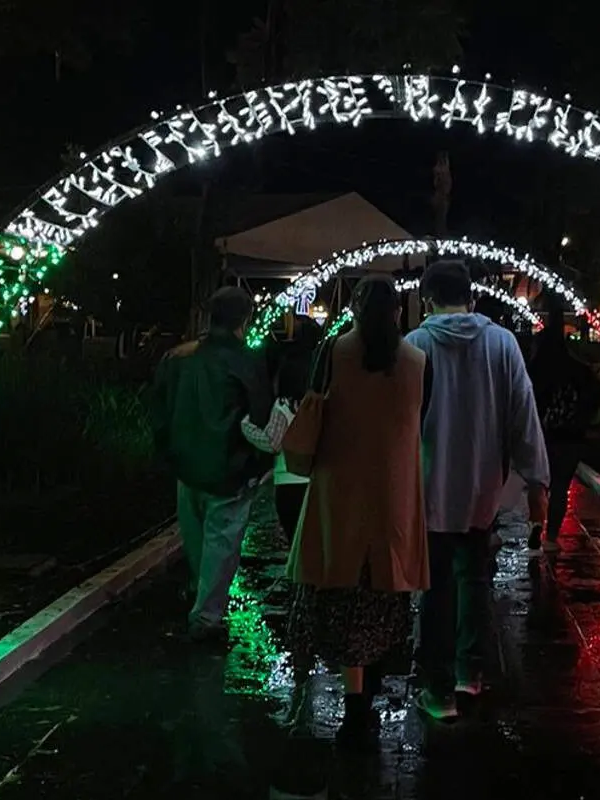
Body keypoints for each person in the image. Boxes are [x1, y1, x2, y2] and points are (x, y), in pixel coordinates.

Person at [287, 277, 432, 740]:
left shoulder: (333, 352)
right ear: (397, 310)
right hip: (393, 495)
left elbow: (312, 409)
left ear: (352, 307)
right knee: (383, 594)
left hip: (338, 491)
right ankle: (367, 700)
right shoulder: (417, 360)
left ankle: (353, 704)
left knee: (342, 594)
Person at [406, 260, 549, 720]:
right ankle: (471, 673)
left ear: (427, 298)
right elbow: (522, 411)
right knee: (475, 581)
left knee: (436, 588)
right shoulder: (501, 343)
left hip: (430, 486)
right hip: (483, 486)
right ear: (472, 296)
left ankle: (437, 690)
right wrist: (536, 480)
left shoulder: (415, 345)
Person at [149, 287, 272, 644]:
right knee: (221, 542)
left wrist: (169, 452)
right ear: (244, 319)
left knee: (197, 538)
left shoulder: (178, 357)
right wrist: (259, 462)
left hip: (186, 465)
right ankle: (206, 616)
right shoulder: (247, 361)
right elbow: (260, 414)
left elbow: (158, 410)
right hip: (230, 467)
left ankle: (200, 598)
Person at [528, 317, 600, 550]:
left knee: (538, 484)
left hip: (541, 435)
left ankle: (534, 524)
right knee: (560, 487)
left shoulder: (536, 370)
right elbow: (599, 393)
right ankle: (551, 537)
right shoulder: (577, 369)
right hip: (570, 436)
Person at [269, 318, 323, 538]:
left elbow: (272, 441)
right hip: (319, 480)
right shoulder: (323, 403)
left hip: (287, 479)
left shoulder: (282, 406)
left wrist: (246, 427)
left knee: (295, 543)